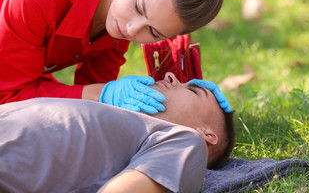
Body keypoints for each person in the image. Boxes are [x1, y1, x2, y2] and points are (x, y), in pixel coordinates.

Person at [0, 0, 247, 114]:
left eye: (153, 32)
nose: (131, 30)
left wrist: (193, 103)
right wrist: (105, 93)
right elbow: (8, 99)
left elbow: (91, 107)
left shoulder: (120, 19)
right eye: (139, 7)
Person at [0, 72, 235, 193]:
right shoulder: (118, 126)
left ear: (206, 134)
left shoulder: (186, 140)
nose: (171, 77)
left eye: (193, 91)